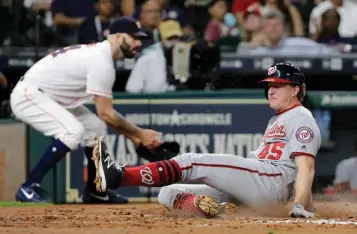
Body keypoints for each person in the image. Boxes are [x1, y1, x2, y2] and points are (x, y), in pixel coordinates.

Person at [92, 63, 322, 218]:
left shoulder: (301, 117)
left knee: (192, 162)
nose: (271, 91)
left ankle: (120, 176)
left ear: (295, 90)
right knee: (169, 193)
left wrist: (300, 204)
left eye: (278, 86)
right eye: (270, 86)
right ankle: (222, 210)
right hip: (261, 187)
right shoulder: (279, 118)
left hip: (270, 181)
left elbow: (306, 167)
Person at [10, 16, 163, 203]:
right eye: (133, 37)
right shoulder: (101, 61)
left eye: (140, 38)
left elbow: (104, 117)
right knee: (72, 132)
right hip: (29, 95)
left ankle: (96, 191)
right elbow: (106, 113)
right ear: (116, 36)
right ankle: (28, 188)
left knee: (95, 128)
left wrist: (137, 138)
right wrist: (139, 134)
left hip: (50, 96)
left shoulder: (100, 55)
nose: (138, 43)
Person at [125, 19, 182, 93]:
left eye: (176, 38)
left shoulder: (184, 55)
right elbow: (132, 90)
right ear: (160, 38)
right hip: (152, 102)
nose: (174, 42)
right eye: (170, 38)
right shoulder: (147, 57)